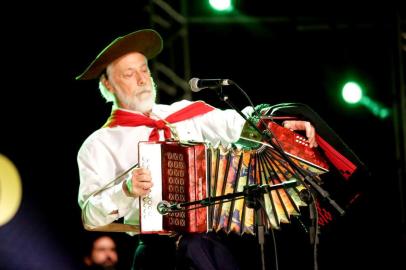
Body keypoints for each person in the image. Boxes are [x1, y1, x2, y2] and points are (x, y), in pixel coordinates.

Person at [76, 28, 318, 270]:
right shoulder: (99, 144)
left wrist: (280, 122)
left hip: (212, 244)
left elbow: (239, 124)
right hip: (158, 253)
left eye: (144, 70)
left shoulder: (184, 113)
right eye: (129, 74)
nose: (142, 80)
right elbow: (90, 217)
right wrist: (125, 190)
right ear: (107, 83)